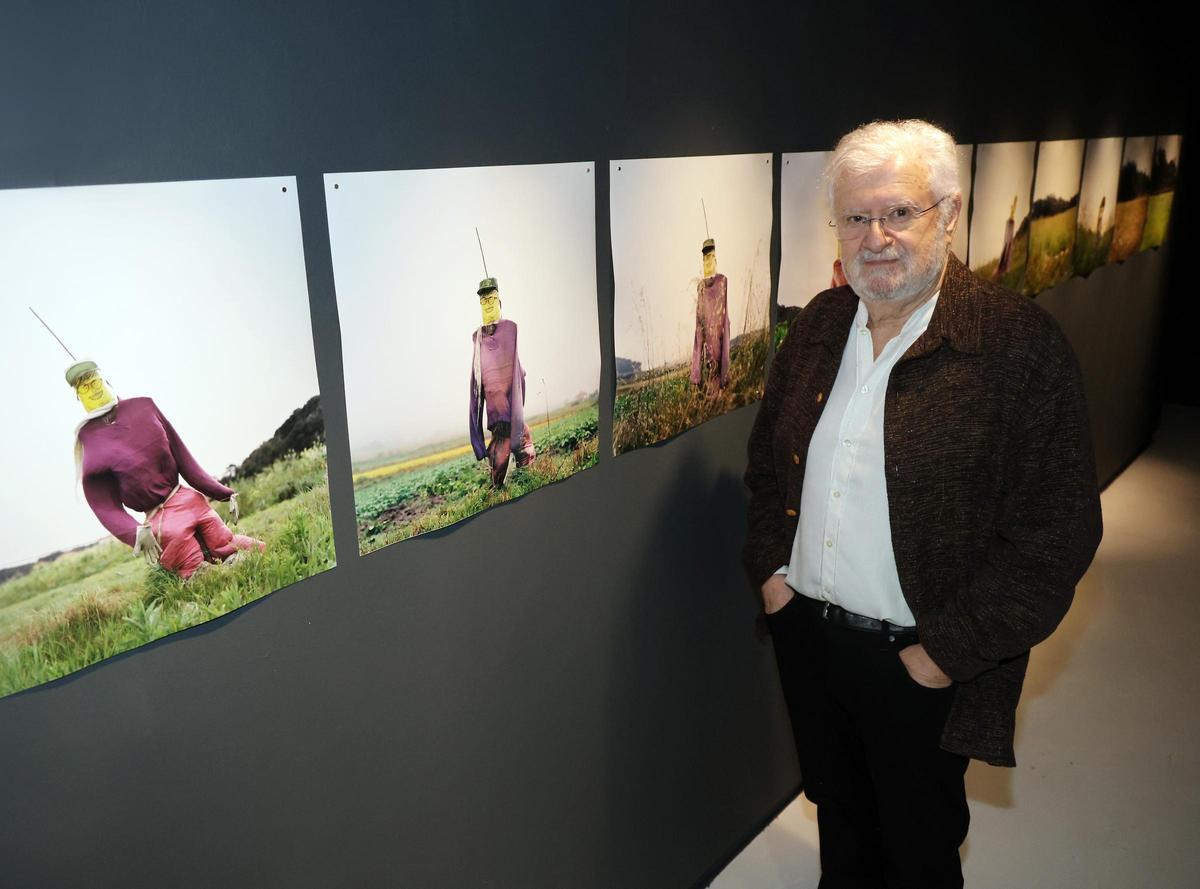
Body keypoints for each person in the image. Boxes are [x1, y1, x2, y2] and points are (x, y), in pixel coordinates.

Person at [744, 120, 1102, 888]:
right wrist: (774, 579)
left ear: (950, 212)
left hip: (920, 659)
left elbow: (1055, 538)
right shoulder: (817, 327)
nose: (875, 237)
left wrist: (941, 655)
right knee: (839, 820)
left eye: (899, 213)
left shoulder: (1015, 349)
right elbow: (769, 470)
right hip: (811, 637)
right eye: (854, 217)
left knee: (918, 847)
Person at [68, 360, 264, 580]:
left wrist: (224, 493)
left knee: (225, 543)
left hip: (190, 500)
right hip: (161, 520)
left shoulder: (144, 407)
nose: (93, 390)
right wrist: (134, 532)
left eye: (95, 382)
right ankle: (200, 576)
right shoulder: (90, 442)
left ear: (106, 381)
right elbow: (104, 505)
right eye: (84, 388)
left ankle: (237, 563)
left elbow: (184, 459)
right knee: (195, 568)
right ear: (78, 397)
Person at [469, 277, 535, 486]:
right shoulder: (480, 339)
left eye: (492, 299)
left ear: (499, 301)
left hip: (509, 405)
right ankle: (498, 488)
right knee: (503, 444)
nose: (488, 303)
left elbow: (518, 370)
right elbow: (477, 380)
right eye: (484, 301)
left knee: (522, 441)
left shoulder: (508, 332)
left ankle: (524, 481)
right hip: (499, 409)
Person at [690, 238, 730, 394]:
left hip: (720, 348)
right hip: (708, 356)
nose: (707, 260)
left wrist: (725, 371)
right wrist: (696, 373)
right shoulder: (700, 287)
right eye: (704, 257)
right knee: (710, 394)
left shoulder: (722, 282)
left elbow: (725, 322)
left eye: (710, 256)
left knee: (721, 390)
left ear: (715, 258)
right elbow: (699, 328)